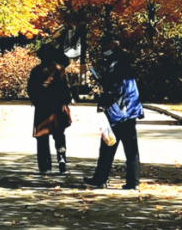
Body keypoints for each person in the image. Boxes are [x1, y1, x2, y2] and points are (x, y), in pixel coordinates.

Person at [84, 37, 144, 190]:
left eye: (104, 44)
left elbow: (114, 88)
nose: (102, 48)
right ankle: (133, 182)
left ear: (112, 44)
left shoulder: (114, 63)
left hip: (119, 110)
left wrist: (103, 103)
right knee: (131, 148)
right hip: (130, 109)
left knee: (108, 146)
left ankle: (100, 179)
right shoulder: (125, 61)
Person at [27, 43, 73, 175]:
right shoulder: (60, 70)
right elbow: (66, 90)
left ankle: (44, 165)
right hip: (57, 108)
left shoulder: (36, 71)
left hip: (42, 108)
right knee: (59, 136)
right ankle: (61, 160)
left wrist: (36, 101)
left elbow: (30, 90)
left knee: (42, 137)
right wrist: (66, 102)